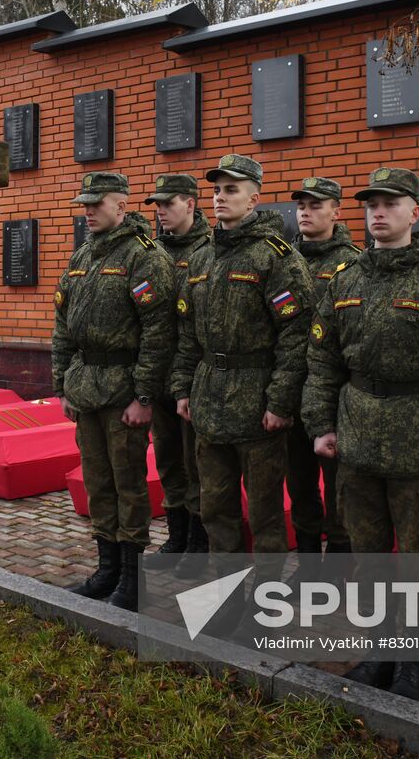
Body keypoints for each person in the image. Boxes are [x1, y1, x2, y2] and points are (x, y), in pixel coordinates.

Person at [302, 166, 419, 700]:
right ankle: (377, 651)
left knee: (418, 559)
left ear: (415, 212)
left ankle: (411, 663)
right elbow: (321, 359)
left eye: (390, 203)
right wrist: (320, 424)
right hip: (357, 437)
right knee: (368, 554)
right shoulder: (346, 279)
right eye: (371, 204)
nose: (378, 212)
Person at [171, 154, 315, 570]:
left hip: (257, 401)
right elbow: (186, 332)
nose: (219, 197)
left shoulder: (276, 257)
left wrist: (280, 402)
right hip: (209, 399)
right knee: (216, 509)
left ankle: (263, 602)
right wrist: (183, 388)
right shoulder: (201, 259)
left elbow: (297, 335)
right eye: (216, 190)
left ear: (254, 198)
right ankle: (228, 595)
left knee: (266, 515)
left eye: (231, 189)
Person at [52, 172, 177, 611]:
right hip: (86, 389)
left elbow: (159, 333)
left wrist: (143, 397)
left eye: (96, 203)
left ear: (121, 206)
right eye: (84, 203)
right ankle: (105, 569)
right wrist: (62, 384)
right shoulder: (83, 254)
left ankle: (130, 577)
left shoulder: (146, 257)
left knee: (128, 485)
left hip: (124, 392)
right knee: (98, 483)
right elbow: (63, 326)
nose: (87, 210)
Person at [289, 176, 362, 561]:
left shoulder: (353, 262)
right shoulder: (283, 257)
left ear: (336, 211)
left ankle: (337, 557)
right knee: (299, 482)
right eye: (301, 204)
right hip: (291, 388)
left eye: (315, 205)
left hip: (333, 394)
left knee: (337, 483)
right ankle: (306, 558)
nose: (305, 211)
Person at [144, 174, 212, 574]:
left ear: (190, 203)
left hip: (194, 375)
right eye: (157, 205)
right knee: (168, 459)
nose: (161, 211)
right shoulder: (153, 251)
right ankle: (177, 537)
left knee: (196, 463)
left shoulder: (210, 247)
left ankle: (199, 546)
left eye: (168, 203)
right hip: (161, 372)